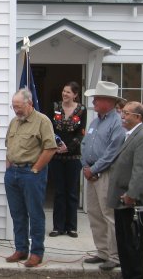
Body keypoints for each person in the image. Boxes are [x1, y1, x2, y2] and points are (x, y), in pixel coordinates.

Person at [4, 88, 57, 268]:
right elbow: (8, 146)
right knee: (17, 214)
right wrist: (8, 167)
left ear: (29, 103)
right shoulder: (14, 122)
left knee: (35, 214)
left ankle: (36, 252)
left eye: (18, 106)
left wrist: (35, 170)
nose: (16, 110)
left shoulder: (42, 121)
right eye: (13, 107)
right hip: (13, 174)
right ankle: (21, 249)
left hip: (31, 173)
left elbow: (50, 148)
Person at [81, 80, 126, 271]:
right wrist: (85, 166)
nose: (93, 103)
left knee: (108, 215)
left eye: (96, 99)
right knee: (94, 213)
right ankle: (102, 252)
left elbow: (112, 151)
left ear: (108, 101)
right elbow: (84, 144)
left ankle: (114, 256)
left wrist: (95, 168)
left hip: (106, 174)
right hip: (91, 172)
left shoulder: (117, 123)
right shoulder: (95, 121)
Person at [107, 101, 143, 279]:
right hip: (119, 196)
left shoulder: (142, 136)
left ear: (137, 117)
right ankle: (126, 273)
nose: (122, 116)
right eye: (122, 112)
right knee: (122, 241)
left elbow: (140, 168)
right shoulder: (128, 134)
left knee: (131, 243)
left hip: (129, 200)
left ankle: (134, 274)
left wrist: (132, 194)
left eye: (126, 113)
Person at [49, 81, 87, 238]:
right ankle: (58, 227)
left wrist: (69, 147)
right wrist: (56, 145)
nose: (65, 94)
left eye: (68, 92)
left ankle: (71, 227)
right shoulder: (55, 107)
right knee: (59, 192)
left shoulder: (82, 110)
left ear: (75, 95)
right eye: (64, 91)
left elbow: (81, 132)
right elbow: (50, 128)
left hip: (73, 156)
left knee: (71, 192)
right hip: (56, 155)